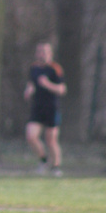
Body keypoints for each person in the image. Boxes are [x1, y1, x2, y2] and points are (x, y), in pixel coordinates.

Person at [23, 41, 67, 176]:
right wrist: (29, 90)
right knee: (31, 136)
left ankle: (56, 166)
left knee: (51, 139)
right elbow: (31, 83)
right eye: (39, 51)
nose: (42, 54)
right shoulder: (34, 68)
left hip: (52, 108)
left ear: (50, 53)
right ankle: (43, 160)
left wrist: (47, 84)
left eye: (45, 51)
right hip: (38, 108)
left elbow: (62, 90)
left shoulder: (55, 69)